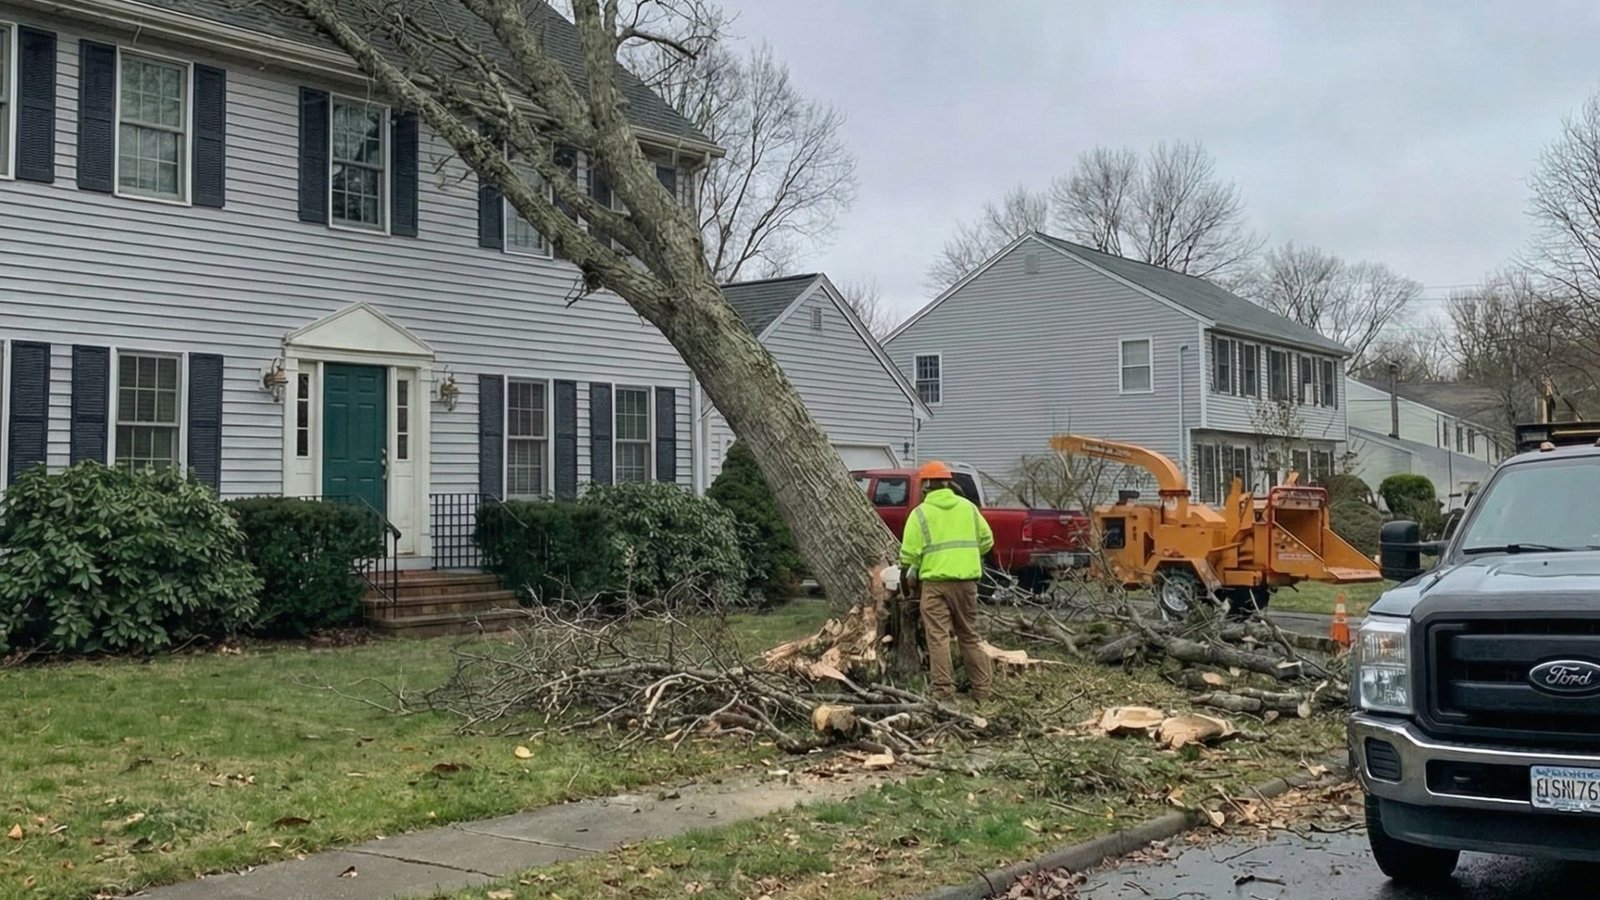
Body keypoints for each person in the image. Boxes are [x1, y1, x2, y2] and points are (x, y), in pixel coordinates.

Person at [899, 461, 995, 701]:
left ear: (925, 486)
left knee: (938, 638)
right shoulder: (968, 508)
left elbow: (909, 555)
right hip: (967, 583)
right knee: (970, 635)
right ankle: (982, 692)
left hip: (935, 585)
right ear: (948, 482)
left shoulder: (920, 514)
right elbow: (986, 541)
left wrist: (909, 574)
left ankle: (943, 694)